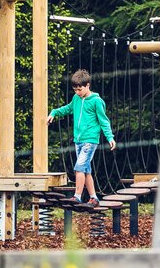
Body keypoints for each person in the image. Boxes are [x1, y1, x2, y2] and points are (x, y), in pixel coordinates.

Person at [47, 69, 116, 206]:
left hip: (90, 140)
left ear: (87, 85)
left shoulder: (96, 101)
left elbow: (104, 120)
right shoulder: (76, 99)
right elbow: (67, 109)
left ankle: (77, 196)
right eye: (75, 90)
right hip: (78, 140)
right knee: (86, 170)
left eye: (80, 89)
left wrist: (110, 137)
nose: (77, 92)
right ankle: (94, 198)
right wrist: (54, 112)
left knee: (79, 168)